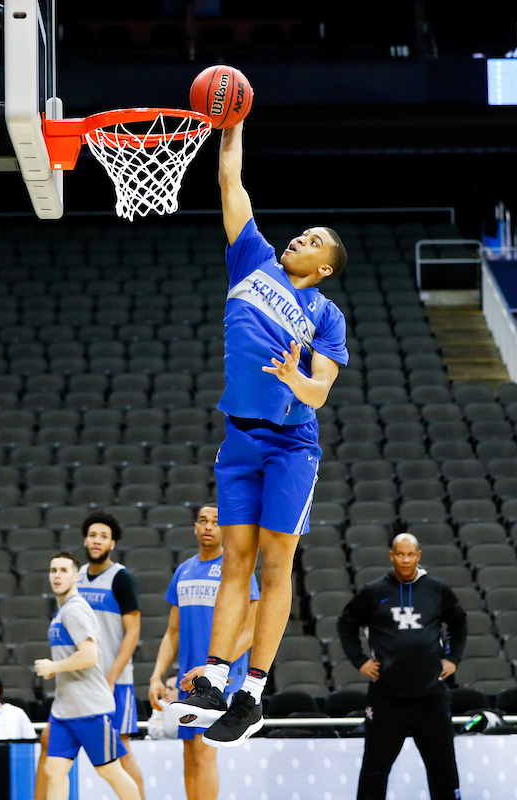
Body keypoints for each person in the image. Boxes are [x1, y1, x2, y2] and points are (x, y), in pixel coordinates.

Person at [168, 119, 349, 748]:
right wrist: (231, 127)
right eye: (304, 232)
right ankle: (216, 676)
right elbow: (230, 181)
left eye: (315, 240)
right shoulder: (253, 258)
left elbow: (322, 389)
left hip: (292, 444)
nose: (303, 237)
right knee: (234, 562)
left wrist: (298, 379)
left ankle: (252, 691)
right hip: (239, 438)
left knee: (276, 565)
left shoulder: (326, 315)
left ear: (325, 267)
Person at [336, 533, 467, 800]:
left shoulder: (437, 589)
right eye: (400, 554)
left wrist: (453, 658)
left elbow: (459, 622)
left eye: (410, 554)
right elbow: (346, 623)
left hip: (430, 696)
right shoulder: (374, 591)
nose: (405, 559)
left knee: (443, 767)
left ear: (418, 556)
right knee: (374, 769)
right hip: (387, 698)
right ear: (391, 556)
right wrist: (360, 661)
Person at [149, 505, 260, 799]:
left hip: (220, 678)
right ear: (195, 528)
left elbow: (250, 632)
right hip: (189, 680)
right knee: (190, 754)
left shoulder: (238, 568)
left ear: (224, 529)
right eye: (203, 521)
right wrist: (156, 674)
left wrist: (213, 670)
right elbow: (172, 633)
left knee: (203, 752)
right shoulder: (183, 571)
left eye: (215, 521)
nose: (209, 526)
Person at [35, 551, 139, 800]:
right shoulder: (63, 611)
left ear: (76, 576)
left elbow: (89, 655)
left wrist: (53, 667)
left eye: (63, 570)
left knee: (111, 771)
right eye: (53, 570)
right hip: (64, 710)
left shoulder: (75, 610)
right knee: (54, 772)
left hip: (89, 708)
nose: (57, 575)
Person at [76, 511, 144, 797]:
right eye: (93, 535)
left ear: (112, 544)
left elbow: (133, 632)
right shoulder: (76, 576)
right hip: (84, 679)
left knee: (121, 746)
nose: (97, 541)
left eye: (103, 536)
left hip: (114, 679)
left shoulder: (121, 578)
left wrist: (112, 675)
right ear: (85, 539)